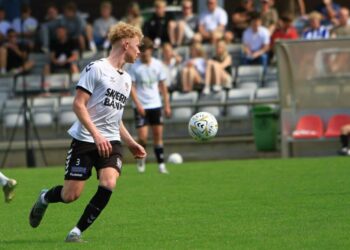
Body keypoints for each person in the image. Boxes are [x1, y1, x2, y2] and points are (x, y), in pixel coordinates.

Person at [29, 22, 146, 243]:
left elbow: (115, 117)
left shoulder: (127, 79)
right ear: (126, 43)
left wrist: (130, 142)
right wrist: (96, 135)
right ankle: (45, 197)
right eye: (138, 46)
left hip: (111, 142)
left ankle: (76, 232)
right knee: (70, 195)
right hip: (85, 140)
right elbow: (78, 105)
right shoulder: (97, 68)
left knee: (108, 183)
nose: (139, 51)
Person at [128, 37, 171, 174]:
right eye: (141, 51)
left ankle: (161, 165)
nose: (143, 53)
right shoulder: (134, 66)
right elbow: (132, 87)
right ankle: (141, 159)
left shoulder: (158, 65)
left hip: (155, 105)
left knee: (158, 135)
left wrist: (167, 105)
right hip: (141, 106)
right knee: (143, 137)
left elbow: (163, 86)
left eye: (146, 51)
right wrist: (138, 104)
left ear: (151, 50)